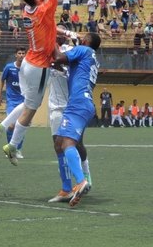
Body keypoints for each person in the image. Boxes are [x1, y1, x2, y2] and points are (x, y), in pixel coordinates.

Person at [0, 0, 64, 165]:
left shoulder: (28, 11)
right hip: (39, 66)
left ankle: (1, 126)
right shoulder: (43, 9)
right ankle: (12, 145)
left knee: (28, 102)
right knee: (32, 109)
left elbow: (49, 26)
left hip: (29, 62)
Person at [51, 32, 101, 207]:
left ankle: (81, 181)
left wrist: (49, 37)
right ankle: (66, 188)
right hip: (83, 103)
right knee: (59, 143)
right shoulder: (91, 57)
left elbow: (58, 57)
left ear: (86, 41)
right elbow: (62, 67)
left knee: (67, 144)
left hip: (78, 103)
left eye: (82, 37)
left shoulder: (83, 49)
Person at [0, 47, 26, 159]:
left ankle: (18, 150)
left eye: (23, 53)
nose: (21, 55)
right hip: (12, 101)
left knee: (21, 125)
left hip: (24, 101)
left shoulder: (27, 68)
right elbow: (2, 79)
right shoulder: (9, 67)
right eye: (19, 53)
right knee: (11, 126)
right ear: (15, 55)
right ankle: (11, 148)